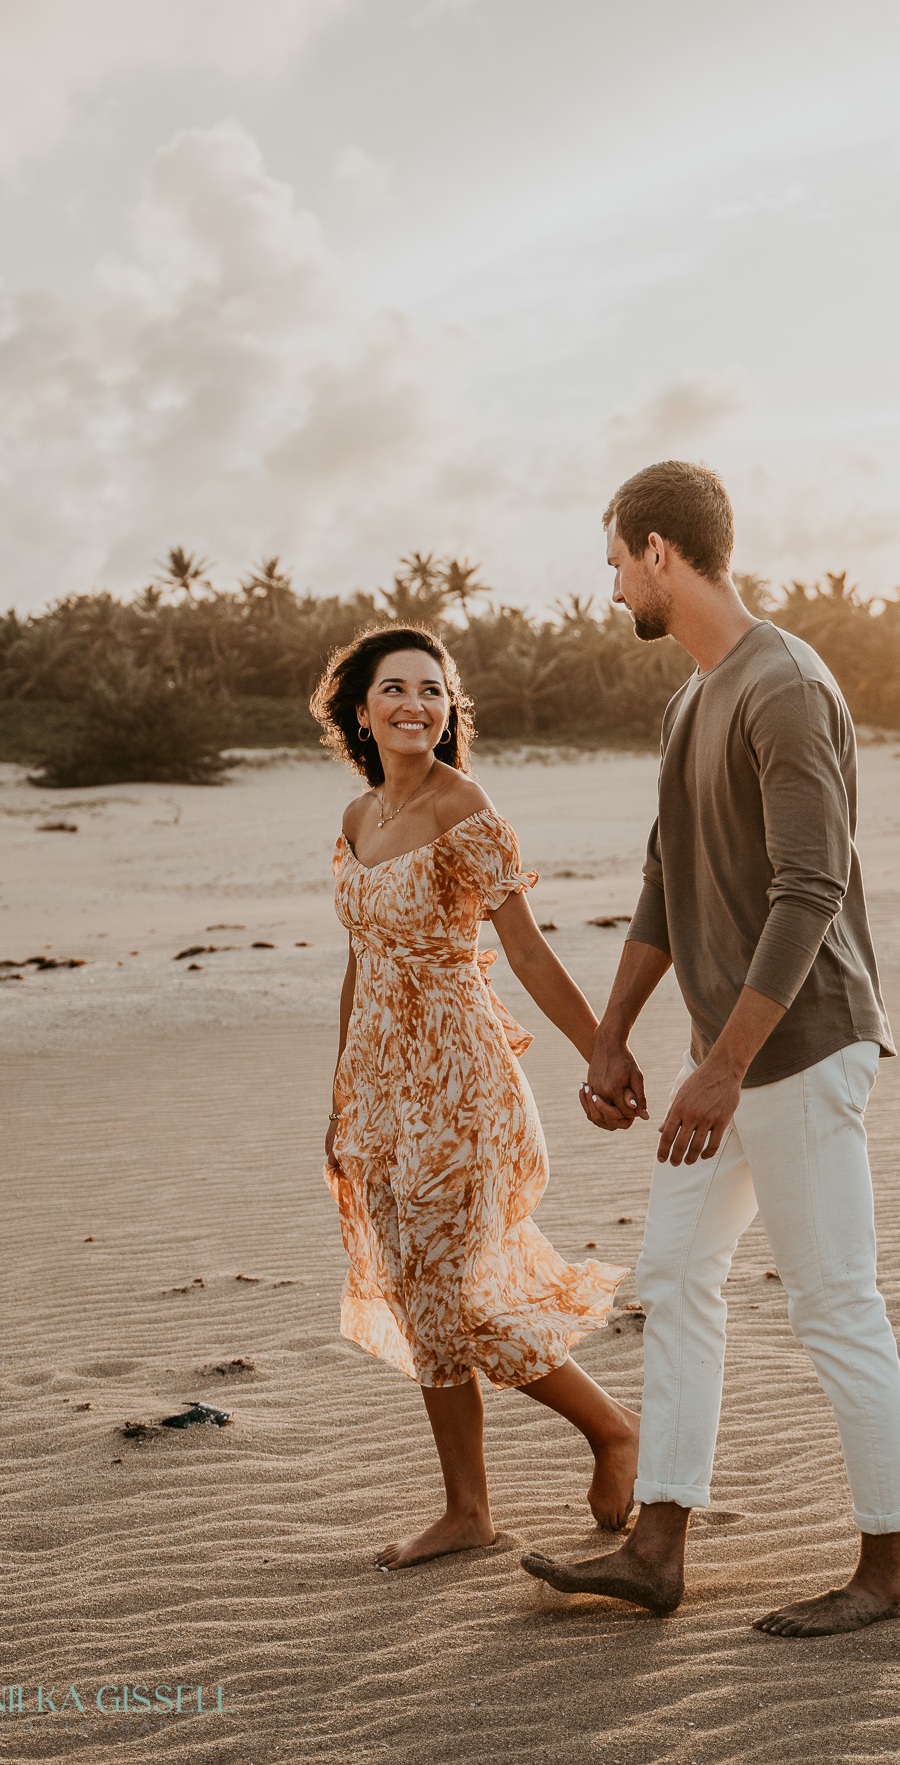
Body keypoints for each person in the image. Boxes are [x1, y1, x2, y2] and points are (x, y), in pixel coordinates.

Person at [522, 461, 900, 1635]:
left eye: (613, 565)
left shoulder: (784, 685)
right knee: (675, 1279)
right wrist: (609, 1038)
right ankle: (658, 1544)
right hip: (730, 1061)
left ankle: (889, 1571)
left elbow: (809, 892)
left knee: (835, 1302)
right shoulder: (692, 698)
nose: (609, 592)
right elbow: (664, 880)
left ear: (658, 551)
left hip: (797, 1048)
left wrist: (721, 1065)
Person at [311, 624, 640, 1571]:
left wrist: (601, 1053)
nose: (416, 704)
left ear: (450, 709)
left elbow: (528, 951)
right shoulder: (355, 817)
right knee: (421, 1298)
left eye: (433, 689)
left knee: (462, 1293)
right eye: (395, 689)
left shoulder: (467, 811)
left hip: (461, 1084)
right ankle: (467, 1511)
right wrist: (340, 1094)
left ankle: (612, 1429)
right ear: (361, 712)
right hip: (377, 1086)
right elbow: (358, 962)